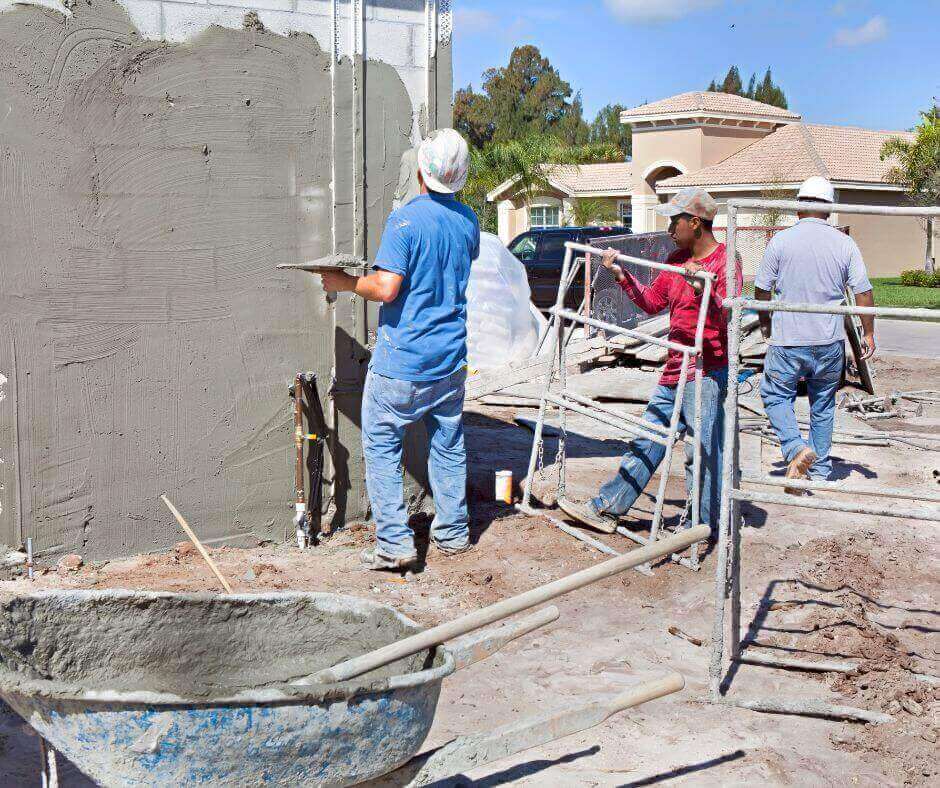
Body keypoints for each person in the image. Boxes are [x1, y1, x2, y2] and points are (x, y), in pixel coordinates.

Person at [317, 129, 479, 570]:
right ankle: (453, 532)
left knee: (383, 445)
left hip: (403, 362)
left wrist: (345, 283)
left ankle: (394, 543)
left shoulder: (405, 221)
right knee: (448, 446)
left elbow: (388, 288)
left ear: (422, 170)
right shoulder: (468, 222)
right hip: (450, 362)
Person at [559, 187, 741, 536]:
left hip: (705, 371)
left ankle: (699, 527)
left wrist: (704, 289)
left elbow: (727, 314)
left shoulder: (724, 261)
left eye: (676, 221)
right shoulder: (674, 261)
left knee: (700, 453)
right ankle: (609, 506)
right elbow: (652, 302)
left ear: (695, 223)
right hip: (676, 367)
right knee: (648, 438)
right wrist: (621, 274)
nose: (671, 228)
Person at [754, 176, 875, 490]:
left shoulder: (780, 241)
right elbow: (863, 292)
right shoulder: (844, 243)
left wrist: (765, 322)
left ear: (798, 206)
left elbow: (762, 289)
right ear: (830, 208)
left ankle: (795, 448)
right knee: (822, 404)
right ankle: (819, 472)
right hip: (828, 340)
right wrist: (869, 332)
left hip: (788, 340)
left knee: (775, 394)